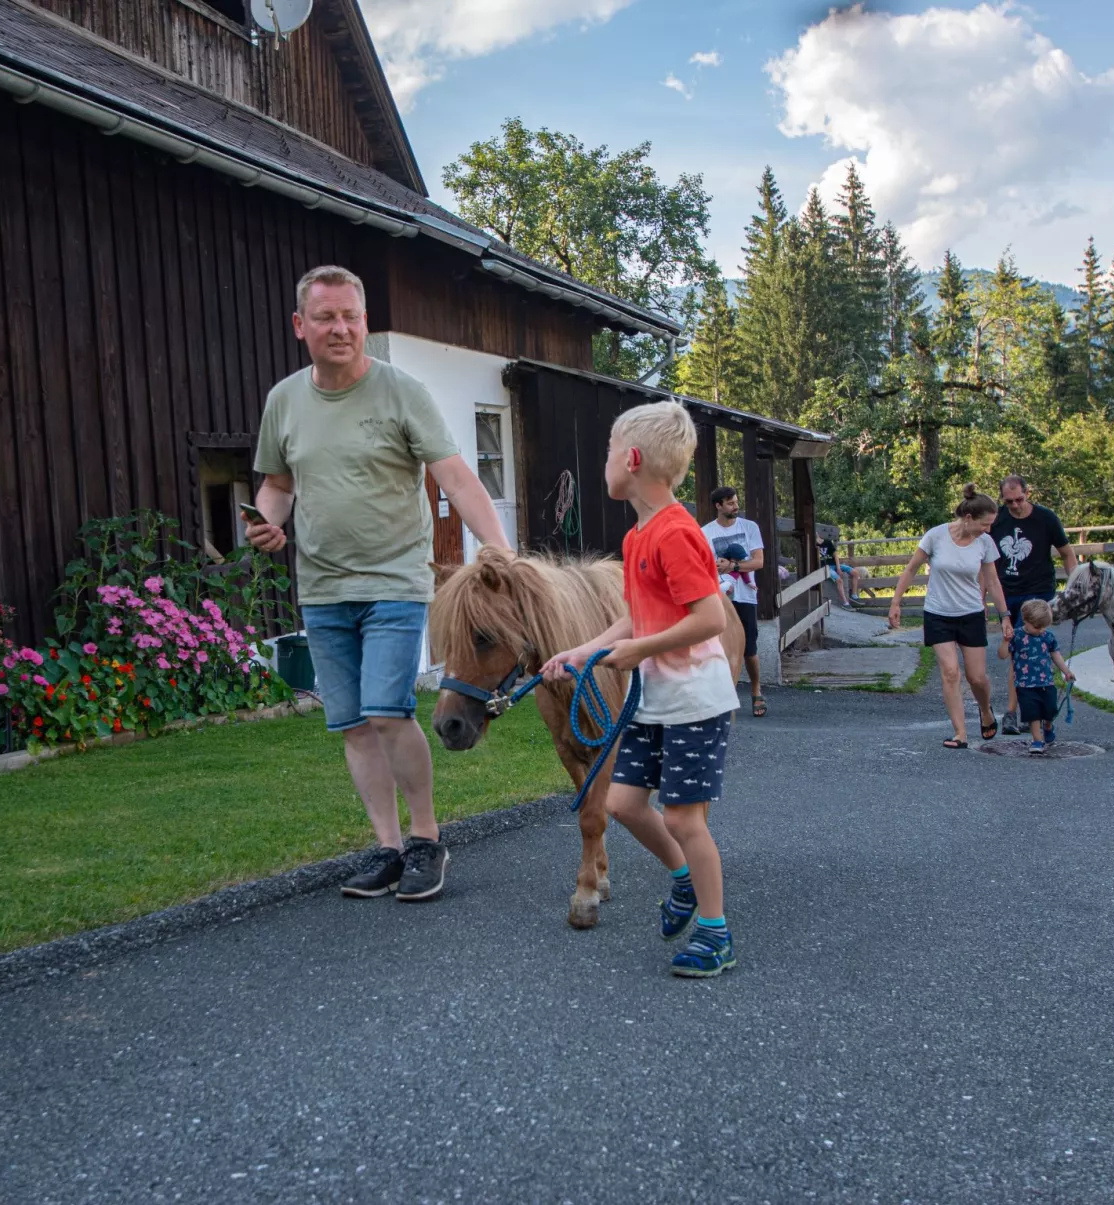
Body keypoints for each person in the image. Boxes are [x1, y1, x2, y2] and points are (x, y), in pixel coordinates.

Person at [247, 265, 510, 902]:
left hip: (395, 579)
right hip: (322, 588)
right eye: (326, 317)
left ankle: (426, 841)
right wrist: (268, 524)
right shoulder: (284, 400)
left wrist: (503, 553)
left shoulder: (401, 392)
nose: (340, 329)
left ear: (365, 321)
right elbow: (277, 487)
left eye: (351, 317)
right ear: (299, 326)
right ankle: (388, 849)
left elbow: (456, 476)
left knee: (388, 713)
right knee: (353, 725)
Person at [540, 401, 741, 978]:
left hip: (695, 701)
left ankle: (714, 932)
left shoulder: (675, 533)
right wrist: (588, 650)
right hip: (657, 698)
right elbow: (638, 615)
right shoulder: (638, 537)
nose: (604, 461)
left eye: (607, 450)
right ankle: (683, 880)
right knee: (625, 804)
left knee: (684, 819)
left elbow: (709, 618)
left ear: (630, 460)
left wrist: (637, 652)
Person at [888, 485, 1013, 749]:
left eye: (991, 525)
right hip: (938, 614)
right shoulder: (935, 536)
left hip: (971, 614)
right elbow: (911, 569)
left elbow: (992, 580)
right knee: (950, 672)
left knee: (977, 678)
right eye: (985, 524)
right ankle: (960, 733)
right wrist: (896, 602)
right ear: (968, 518)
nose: (988, 530)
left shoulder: (985, 543)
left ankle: (985, 710)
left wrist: (1005, 615)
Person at [994, 475, 1078, 735]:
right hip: (1007, 591)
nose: (1016, 505)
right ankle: (1022, 712)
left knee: (1027, 648)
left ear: (1027, 493)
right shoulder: (997, 520)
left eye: (1019, 499)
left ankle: (1018, 712)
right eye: (1009, 502)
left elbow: (1066, 553)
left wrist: (1074, 588)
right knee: (1017, 648)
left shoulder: (1046, 518)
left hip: (1038, 592)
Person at [700, 486, 766, 716]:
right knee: (716, 645)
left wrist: (734, 567)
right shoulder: (705, 532)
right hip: (717, 595)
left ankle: (756, 690)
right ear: (718, 506)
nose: (735, 506)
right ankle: (722, 695)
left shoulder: (750, 528)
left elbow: (758, 562)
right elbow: (705, 565)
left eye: (736, 502)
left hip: (745, 596)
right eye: (730, 503)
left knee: (750, 648)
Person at [1000, 598, 1076, 755]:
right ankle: (1036, 739)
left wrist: (1065, 671)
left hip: (1046, 682)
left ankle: (1048, 725)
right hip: (1025, 685)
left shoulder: (1047, 637)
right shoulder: (1017, 636)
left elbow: (1055, 654)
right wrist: (1005, 642)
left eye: (1044, 627)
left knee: (1050, 709)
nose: (1041, 630)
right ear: (1025, 621)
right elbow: (1002, 655)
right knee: (1033, 713)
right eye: (1037, 627)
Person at [816, 533, 870, 608]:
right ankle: (845, 603)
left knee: (855, 573)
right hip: (826, 568)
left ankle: (854, 595)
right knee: (839, 580)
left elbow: (836, 556)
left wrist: (838, 568)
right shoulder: (813, 547)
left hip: (834, 565)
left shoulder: (827, 542)